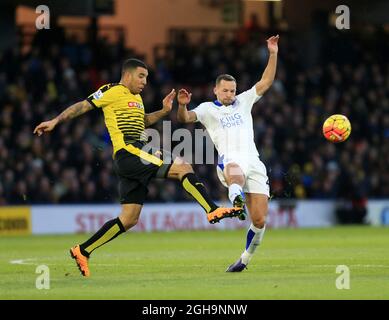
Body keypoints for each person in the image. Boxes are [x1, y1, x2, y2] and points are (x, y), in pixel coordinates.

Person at [33, 58, 242, 277]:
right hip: (129, 152)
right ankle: (211, 209)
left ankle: (82, 250)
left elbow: (141, 121)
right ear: (128, 75)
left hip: (133, 157)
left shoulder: (137, 98)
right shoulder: (111, 91)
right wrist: (55, 121)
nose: (144, 82)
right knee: (182, 166)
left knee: (129, 218)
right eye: (141, 76)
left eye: (146, 78)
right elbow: (82, 106)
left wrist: (163, 111)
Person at [177, 36, 279, 272]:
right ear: (215, 89)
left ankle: (244, 260)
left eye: (232, 90)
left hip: (254, 161)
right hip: (230, 160)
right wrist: (182, 105)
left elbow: (266, 81)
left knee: (260, 219)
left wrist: (273, 53)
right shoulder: (206, 109)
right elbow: (184, 119)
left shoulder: (244, 101)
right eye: (225, 90)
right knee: (235, 172)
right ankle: (235, 199)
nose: (230, 94)